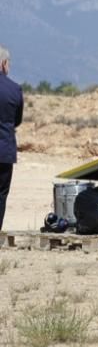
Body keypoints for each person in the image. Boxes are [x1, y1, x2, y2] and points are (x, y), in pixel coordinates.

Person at [0, 45, 24, 231]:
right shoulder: (15, 89)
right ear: (4, 64)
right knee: (1, 194)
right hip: (4, 151)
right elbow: (17, 120)